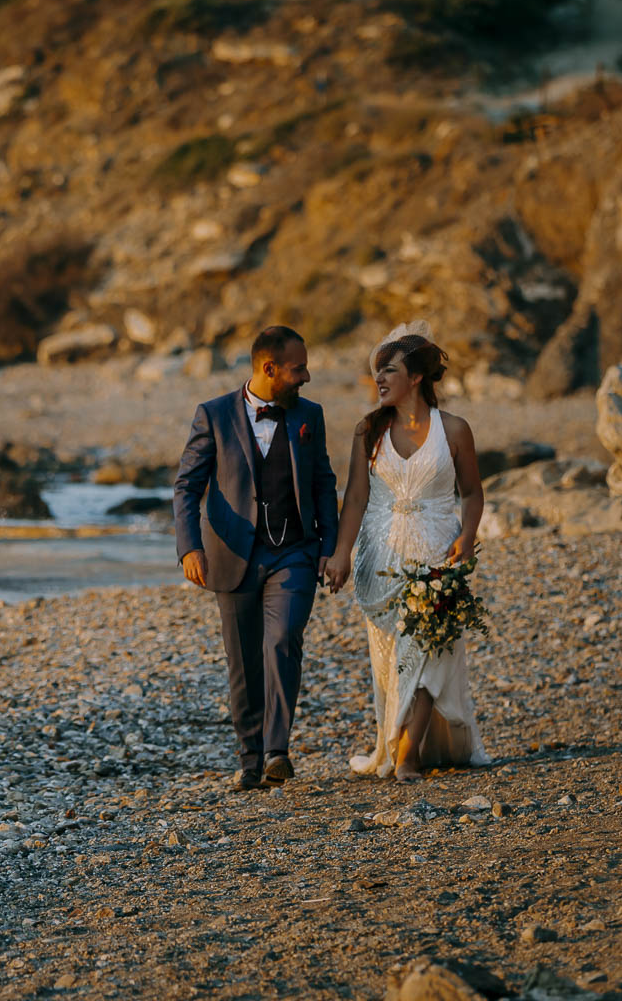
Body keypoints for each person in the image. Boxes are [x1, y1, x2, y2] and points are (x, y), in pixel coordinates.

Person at [322, 324, 491, 781]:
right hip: (380, 553)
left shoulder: (454, 429)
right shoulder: (368, 430)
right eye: (377, 371)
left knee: (431, 646)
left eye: (389, 370)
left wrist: (468, 534)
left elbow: (472, 492)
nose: (379, 379)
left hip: (438, 548)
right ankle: (394, 741)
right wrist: (340, 554)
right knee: (391, 656)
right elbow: (354, 498)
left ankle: (409, 753)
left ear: (415, 377)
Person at [174, 326, 339, 792]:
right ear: (269, 369)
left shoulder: (310, 416)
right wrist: (190, 546)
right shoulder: (213, 415)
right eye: (298, 368)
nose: (306, 377)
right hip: (231, 556)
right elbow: (187, 486)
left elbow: (323, 483)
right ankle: (249, 758)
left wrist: (328, 548)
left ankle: (276, 751)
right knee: (243, 661)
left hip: (296, 552)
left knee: (284, 637)